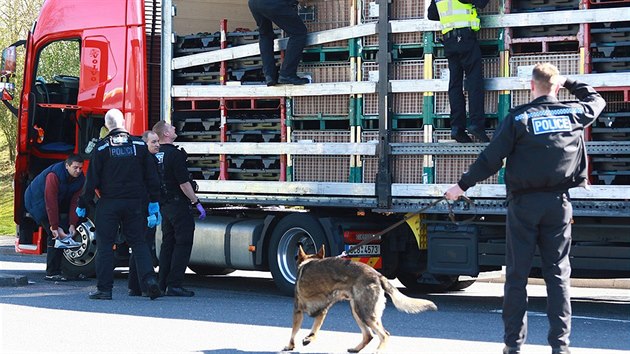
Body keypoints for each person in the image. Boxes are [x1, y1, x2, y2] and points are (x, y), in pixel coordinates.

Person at [444, 63, 606, 354]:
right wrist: (569, 81)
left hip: (524, 205)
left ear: (532, 87)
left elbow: (490, 159)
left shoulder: (520, 118)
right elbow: (597, 99)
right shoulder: (573, 113)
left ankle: (513, 346)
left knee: (517, 276)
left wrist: (461, 186)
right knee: (557, 275)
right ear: (555, 87)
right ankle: (560, 346)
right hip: (559, 204)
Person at [77, 109, 162, 300]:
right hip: (135, 203)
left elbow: (91, 181)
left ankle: (104, 289)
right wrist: (154, 203)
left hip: (109, 203)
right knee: (139, 243)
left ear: (107, 125)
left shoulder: (101, 147)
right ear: (123, 122)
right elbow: (152, 177)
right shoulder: (140, 145)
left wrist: (84, 203)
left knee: (106, 246)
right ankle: (149, 281)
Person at [153, 120, 206, 297]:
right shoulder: (175, 155)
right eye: (171, 127)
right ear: (166, 134)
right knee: (183, 243)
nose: (174, 128)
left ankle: (162, 283)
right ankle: (174, 284)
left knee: (168, 243)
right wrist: (195, 201)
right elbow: (183, 183)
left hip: (164, 204)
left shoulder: (156, 153)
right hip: (178, 203)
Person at [428, 0, 490, 143]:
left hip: (449, 40)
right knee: (474, 82)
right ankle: (476, 124)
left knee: (455, 85)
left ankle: (457, 127)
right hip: (465, 38)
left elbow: (432, 14)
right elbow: (482, 3)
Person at [24, 154, 85, 281]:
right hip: (37, 201)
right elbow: (50, 202)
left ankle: (60, 269)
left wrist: (72, 224)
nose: (78, 171)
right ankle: (52, 272)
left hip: (56, 200)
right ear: (67, 166)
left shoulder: (80, 178)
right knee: (54, 235)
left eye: (80, 168)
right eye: (75, 167)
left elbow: (75, 201)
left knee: (64, 231)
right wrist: (54, 226)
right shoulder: (54, 175)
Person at [127, 130, 161, 297]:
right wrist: (151, 209)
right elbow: (148, 186)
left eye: (157, 141)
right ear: (144, 143)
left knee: (139, 247)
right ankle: (144, 286)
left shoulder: (144, 160)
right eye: (153, 142)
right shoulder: (147, 161)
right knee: (144, 247)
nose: (157, 144)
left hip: (141, 208)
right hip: (143, 209)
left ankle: (134, 286)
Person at [248, 0, 309, 86]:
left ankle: (269, 76)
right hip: (272, 3)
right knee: (298, 33)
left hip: (254, 3)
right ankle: (287, 73)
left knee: (265, 35)